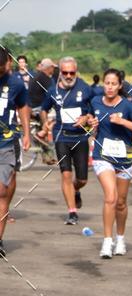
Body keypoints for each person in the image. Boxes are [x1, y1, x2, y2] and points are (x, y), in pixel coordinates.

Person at [88, 68, 132, 259]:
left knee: (120, 202)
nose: (109, 87)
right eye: (107, 83)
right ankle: (107, 241)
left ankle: (120, 238)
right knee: (110, 197)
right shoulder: (95, 101)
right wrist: (90, 123)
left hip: (125, 159)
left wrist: (122, 122)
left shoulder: (128, 106)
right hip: (102, 156)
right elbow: (89, 119)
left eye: (113, 84)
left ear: (120, 86)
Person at [38, 57, 92, 225]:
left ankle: (75, 190)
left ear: (76, 72)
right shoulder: (52, 90)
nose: (69, 76)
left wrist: (86, 118)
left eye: (72, 72)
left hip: (81, 137)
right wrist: (45, 123)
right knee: (66, 174)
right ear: (59, 72)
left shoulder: (85, 88)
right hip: (61, 137)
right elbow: (43, 109)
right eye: (65, 72)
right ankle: (72, 212)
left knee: (82, 179)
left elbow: (94, 111)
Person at [0, 46, 30, 258]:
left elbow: (23, 107)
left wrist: (27, 133)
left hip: (7, 143)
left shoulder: (17, 84)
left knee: (1, 191)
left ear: (9, 63)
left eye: (1, 68)